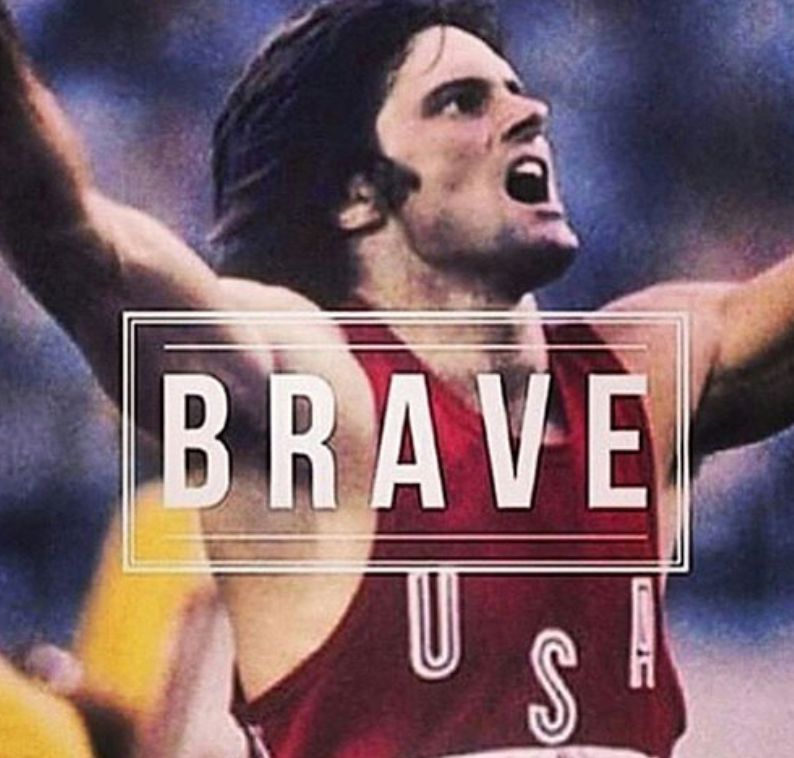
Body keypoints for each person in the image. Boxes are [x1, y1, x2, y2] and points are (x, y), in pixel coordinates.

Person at [1, 0, 793, 756]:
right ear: (358, 195)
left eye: (516, 91)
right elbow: (68, 234)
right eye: (462, 102)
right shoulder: (315, 394)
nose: (532, 113)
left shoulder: (641, 375)